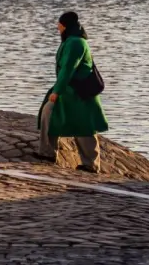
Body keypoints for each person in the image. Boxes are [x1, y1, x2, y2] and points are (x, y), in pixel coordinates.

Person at [34, 10, 108, 172]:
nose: (58, 28)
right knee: (49, 112)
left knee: (84, 127)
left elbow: (68, 68)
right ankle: (47, 152)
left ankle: (91, 164)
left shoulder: (76, 43)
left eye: (59, 25)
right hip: (68, 92)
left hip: (79, 93)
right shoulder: (70, 41)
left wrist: (57, 91)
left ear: (65, 26)